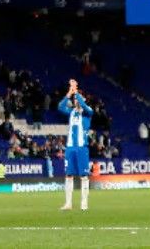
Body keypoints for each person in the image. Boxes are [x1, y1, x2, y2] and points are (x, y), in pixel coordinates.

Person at [58, 79, 94, 211]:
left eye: (77, 99)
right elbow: (60, 107)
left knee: (84, 176)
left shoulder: (88, 113)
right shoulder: (71, 113)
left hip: (81, 148)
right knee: (68, 175)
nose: (76, 101)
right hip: (70, 148)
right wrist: (69, 92)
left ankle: (84, 203)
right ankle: (68, 203)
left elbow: (84, 105)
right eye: (75, 100)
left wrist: (76, 90)